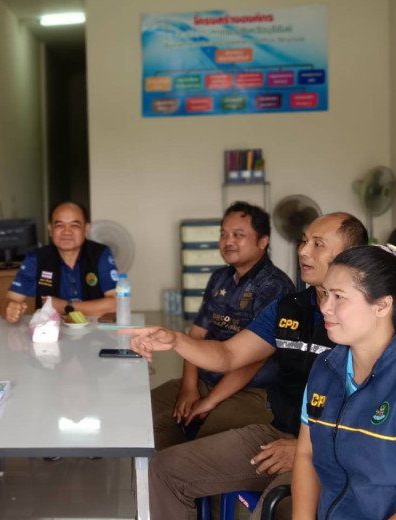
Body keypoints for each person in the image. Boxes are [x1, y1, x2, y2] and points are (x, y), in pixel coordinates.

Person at [125, 212, 368, 520]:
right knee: (163, 469)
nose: (304, 251)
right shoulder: (289, 308)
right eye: (304, 241)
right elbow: (228, 355)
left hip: (331, 450)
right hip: (277, 432)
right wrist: (174, 340)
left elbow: (375, 409)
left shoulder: (368, 315)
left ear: (351, 254)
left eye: (318, 244)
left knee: (279, 509)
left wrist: (308, 448)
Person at [293, 245, 396, 519]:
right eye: (325, 294)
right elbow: (306, 453)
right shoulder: (324, 369)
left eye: (339, 296)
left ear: (382, 305)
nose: (325, 306)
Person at [152, 202, 295, 449]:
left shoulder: (274, 286)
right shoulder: (220, 277)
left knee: (203, 443)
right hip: (207, 378)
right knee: (144, 416)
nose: (228, 241)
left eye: (238, 235)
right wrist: (188, 387)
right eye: (223, 234)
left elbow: (253, 361)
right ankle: (164, 462)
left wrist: (210, 402)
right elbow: (196, 335)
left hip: (252, 389)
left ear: (263, 241)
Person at [1, 201, 119, 323]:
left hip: (95, 330)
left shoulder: (100, 254)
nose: (66, 232)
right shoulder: (37, 258)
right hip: (50, 330)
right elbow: (9, 300)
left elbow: (116, 304)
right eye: (59, 225)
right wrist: (9, 309)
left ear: (86, 229)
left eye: (74, 225)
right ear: (50, 229)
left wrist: (64, 306)